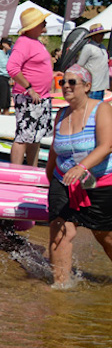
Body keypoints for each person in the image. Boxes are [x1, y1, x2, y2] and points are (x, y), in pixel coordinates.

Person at [46, 65, 112, 288]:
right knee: (59, 229)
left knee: (105, 237)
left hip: (98, 181)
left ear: (87, 86)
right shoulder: (61, 114)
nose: (66, 86)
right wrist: (50, 178)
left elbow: (107, 145)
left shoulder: (101, 109)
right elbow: (54, 151)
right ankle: (60, 287)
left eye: (72, 82)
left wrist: (82, 168)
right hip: (63, 180)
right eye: (63, 82)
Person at [6, 8, 55, 166]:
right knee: (23, 137)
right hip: (28, 97)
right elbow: (12, 68)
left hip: (40, 97)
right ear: (33, 25)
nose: (45, 24)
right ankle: (16, 172)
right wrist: (29, 88)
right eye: (42, 22)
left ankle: (31, 171)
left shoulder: (36, 42)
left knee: (35, 137)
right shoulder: (24, 42)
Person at [77, 24, 109, 101]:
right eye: (100, 34)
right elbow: (80, 65)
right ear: (94, 36)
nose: (102, 36)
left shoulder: (102, 47)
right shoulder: (88, 48)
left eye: (103, 34)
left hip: (102, 86)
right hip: (92, 87)